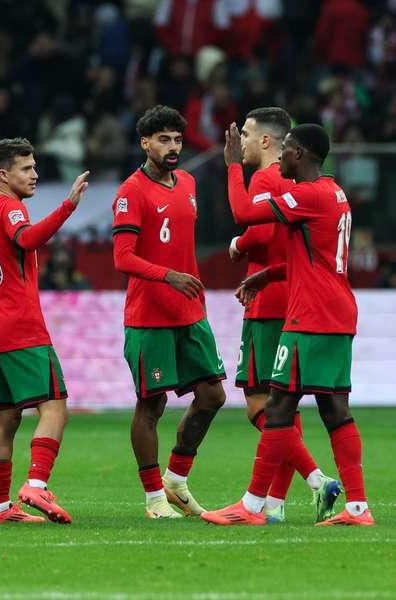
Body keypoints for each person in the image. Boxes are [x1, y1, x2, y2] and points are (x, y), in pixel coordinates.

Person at [201, 123, 371, 526]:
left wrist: (230, 167)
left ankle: (253, 506)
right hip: (336, 310)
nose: (283, 159)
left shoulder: (308, 194)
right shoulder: (335, 193)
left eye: (289, 151)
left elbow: (244, 213)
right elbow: (317, 258)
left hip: (309, 316)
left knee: (277, 404)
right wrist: (270, 274)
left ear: (304, 154)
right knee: (333, 408)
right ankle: (358, 508)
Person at [0, 138, 88, 524]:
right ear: (3, 175)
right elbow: (28, 239)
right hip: (21, 329)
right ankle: (36, 483)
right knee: (54, 407)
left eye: (34, 167)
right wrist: (67, 207)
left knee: (5, 419)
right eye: (26, 169)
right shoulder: (9, 208)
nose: (34, 175)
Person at [110, 105, 226, 519]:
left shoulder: (189, 182)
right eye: (164, 139)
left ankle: (176, 480)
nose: (173, 146)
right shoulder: (131, 191)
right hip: (149, 317)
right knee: (151, 405)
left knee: (213, 396)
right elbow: (122, 258)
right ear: (145, 143)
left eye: (177, 139)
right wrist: (168, 276)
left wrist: (185, 283)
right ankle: (153, 498)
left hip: (190, 313)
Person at [228, 108, 341, 523]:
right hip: (294, 298)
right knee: (284, 406)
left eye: (245, 134)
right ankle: (274, 505)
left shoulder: (263, 179)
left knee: (262, 404)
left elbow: (256, 233)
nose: (239, 142)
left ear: (265, 142)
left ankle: (314, 480)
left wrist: (238, 246)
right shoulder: (301, 182)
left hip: (271, 304)